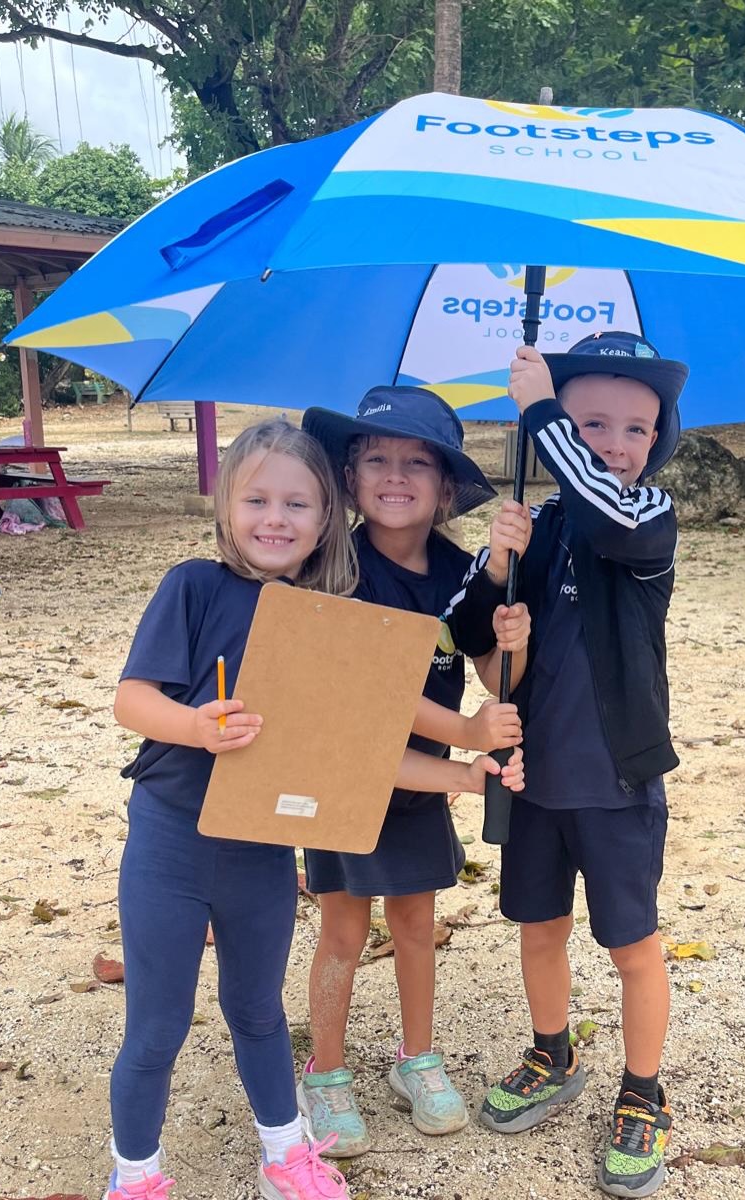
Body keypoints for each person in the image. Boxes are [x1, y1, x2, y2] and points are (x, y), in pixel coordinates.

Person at [108, 417, 522, 1200]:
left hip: (261, 845)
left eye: (296, 504)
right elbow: (132, 699)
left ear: (328, 515)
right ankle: (134, 1176)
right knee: (157, 1027)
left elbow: (367, 738)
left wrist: (464, 769)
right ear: (225, 504)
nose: (275, 519)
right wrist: (195, 726)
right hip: (171, 839)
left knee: (258, 1011)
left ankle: (287, 1155)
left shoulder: (328, 611)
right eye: (257, 500)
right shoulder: (192, 585)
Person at [445, 332, 689, 1199]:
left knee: (631, 944)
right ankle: (554, 1053)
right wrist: (498, 570)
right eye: (593, 424)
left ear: (656, 442)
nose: (615, 444)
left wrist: (543, 406)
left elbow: (603, 511)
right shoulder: (540, 526)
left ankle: (644, 1091)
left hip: (617, 780)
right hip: (533, 777)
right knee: (539, 927)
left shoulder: (647, 515)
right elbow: (462, 630)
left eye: (635, 428)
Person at [298, 387, 531, 1156]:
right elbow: (364, 692)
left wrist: (513, 633)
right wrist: (464, 732)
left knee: (415, 923)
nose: (395, 477)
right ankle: (325, 1070)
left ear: (446, 488)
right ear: (349, 477)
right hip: (344, 775)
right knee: (343, 928)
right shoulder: (332, 567)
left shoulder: (468, 573)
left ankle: (417, 1058)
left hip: (420, 780)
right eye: (376, 460)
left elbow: (492, 671)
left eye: (417, 464)